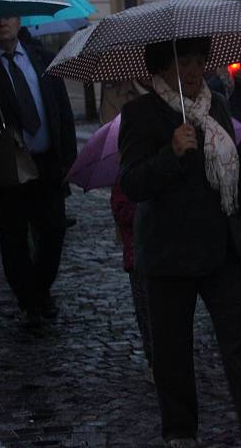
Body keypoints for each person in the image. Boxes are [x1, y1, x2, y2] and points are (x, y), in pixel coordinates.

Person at [119, 38, 241, 448]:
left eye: (199, 61)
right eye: (183, 63)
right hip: (168, 254)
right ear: (161, 69)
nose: (194, 70)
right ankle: (181, 432)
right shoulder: (140, 113)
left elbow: (229, 177)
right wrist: (171, 152)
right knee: (173, 349)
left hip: (221, 247)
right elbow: (132, 184)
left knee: (239, 345)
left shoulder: (216, 104)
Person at [0, 16, 76, 329]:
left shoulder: (42, 59)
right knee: (13, 238)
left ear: (20, 21)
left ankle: (40, 288)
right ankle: (29, 299)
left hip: (47, 163)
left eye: (8, 17)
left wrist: (68, 160)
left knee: (53, 232)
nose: (2, 23)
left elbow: (61, 110)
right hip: (8, 167)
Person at [102, 79, 155, 384]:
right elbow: (121, 206)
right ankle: (153, 358)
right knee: (146, 310)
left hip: (165, 246)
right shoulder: (121, 96)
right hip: (138, 252)